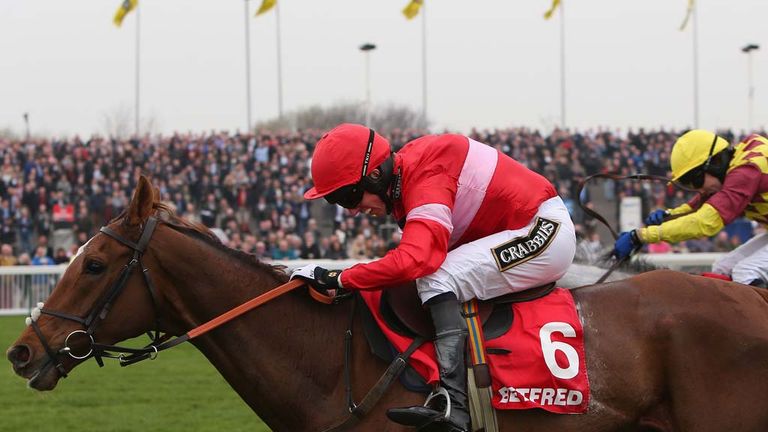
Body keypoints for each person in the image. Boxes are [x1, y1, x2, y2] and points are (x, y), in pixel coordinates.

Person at [290, 123, 577, 431]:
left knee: (436, 278)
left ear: (375, 175)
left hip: (543, 232)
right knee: (433, 276)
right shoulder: (408, 173)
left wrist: (341, 278)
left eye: (348, 197)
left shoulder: (426, 177)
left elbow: (418, 260)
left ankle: (454, 409)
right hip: (522, 226)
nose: (352, 211)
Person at [613, 129, 768, 287]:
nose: (698, 189)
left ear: (715, 163)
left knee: (747, 271)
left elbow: (704, 222)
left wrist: (640, 236)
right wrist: (670, 215)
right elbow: (698, 205)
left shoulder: (747, 170)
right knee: (721, 268)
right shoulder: (736, 165)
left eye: (696, 180)